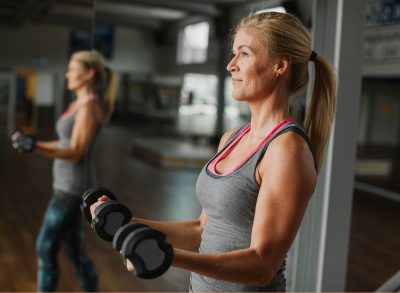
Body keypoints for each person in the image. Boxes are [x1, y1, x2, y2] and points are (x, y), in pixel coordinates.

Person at [92, 11, 336, 292]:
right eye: (233, 55)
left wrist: (166, 256)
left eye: (244, 54)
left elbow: (262, 266)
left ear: (279, 66)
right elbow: (200, 230)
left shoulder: (286, 149)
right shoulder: (231, 138)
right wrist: (131, 225)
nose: (231, 65)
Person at [13, 50, 118, 292]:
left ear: (89, 73)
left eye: (72, 69)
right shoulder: (78, 104)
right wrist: (33, 143)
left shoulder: (89, 108)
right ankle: (92, 288)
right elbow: (64, 144)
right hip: (67, 185)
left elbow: (75, 152)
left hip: (72, 189)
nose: (68, 74)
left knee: (45, 247)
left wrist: (35, 146)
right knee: (73, 248)